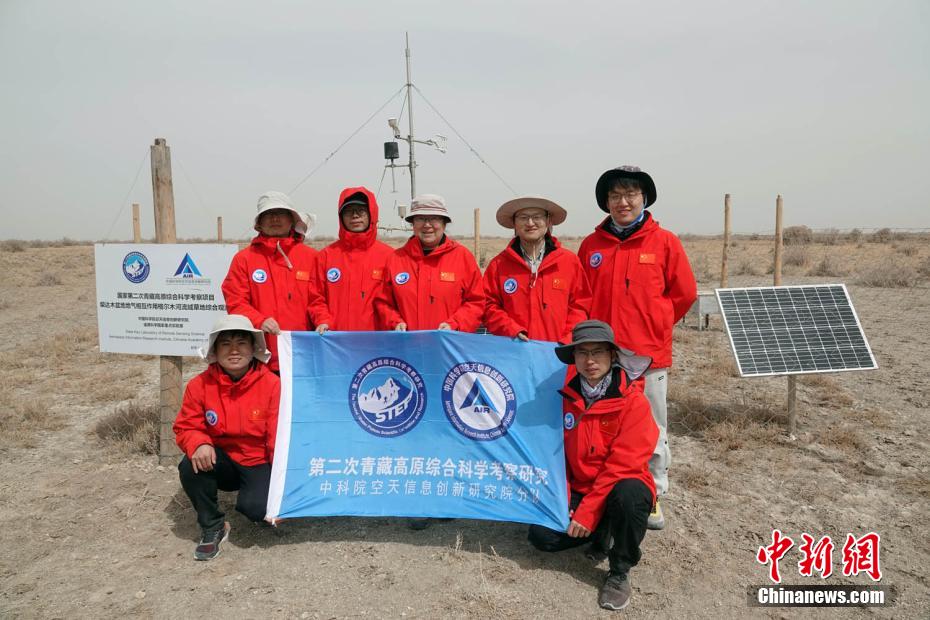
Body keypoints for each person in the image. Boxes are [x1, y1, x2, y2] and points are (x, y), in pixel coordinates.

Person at [578, 165, 697, 530]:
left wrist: (655, 323)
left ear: (644, 199)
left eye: (631, 194)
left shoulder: (664, 242)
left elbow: (684, 294)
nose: (623, 202)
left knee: (651, 425)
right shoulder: (592, 246)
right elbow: (582, 295)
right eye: (615, 196)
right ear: (606, 202)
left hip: (647, 355)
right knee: (602, 423)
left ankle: (653, 491)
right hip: (601, 356)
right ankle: (602, 488)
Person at [528, 320, 657, 611]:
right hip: (580, 487)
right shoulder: (563, 398)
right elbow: (554, 456)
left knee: (630, 497)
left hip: (618, 485)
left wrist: (588, 511)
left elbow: (623, 465)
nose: (590, 360)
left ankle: (619, 570)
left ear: (612, 355)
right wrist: (562, 498)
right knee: (541, 537)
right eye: (582, 352)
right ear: (573, 358)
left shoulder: (633, 402)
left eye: (598, 352)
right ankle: (601, 530)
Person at [173, 314, 280, 561]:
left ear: (253, 348)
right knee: (190, 465)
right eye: (225, 343)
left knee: (258, 509)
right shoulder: (199, 385)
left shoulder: (272, 384)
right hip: (221, 460)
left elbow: (278, 437)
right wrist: (199, 442)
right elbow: (187, 426)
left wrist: (281, 490)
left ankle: (258, 500)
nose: (234, 350)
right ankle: (213, 526)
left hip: (258, 461)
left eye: (241, 343)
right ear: (215, 350)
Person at [222, 190, 318, 373]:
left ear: (292, 219)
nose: (275, 218)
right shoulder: (244, 259)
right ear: (259, 223)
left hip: (305, 355)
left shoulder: (312, 258)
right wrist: (260, 320)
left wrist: (322, 322)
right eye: (268, 214)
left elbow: (320, 300)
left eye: (280, 213)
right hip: (260, 357)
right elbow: (235, 301)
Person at [483, 196, 591, 343]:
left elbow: (580, 306)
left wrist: (567, 340)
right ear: (514, 223)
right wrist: (512, 330)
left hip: (560, 351)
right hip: (514, 349)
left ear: (548, 221)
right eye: (523, 217)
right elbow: (488, 306)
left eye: (537, 217)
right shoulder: (498, 265)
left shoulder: (569, 262)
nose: (530, 223)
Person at [375, 194, 484, 333]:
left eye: (434, 218)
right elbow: (383, 303)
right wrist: (395, 322)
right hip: (407, 344)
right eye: (420, 219)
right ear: (413, 225)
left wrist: (455, 324)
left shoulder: (462, 257)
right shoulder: (396, 259)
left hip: (448, 344)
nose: (427, 225)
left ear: (444, 224)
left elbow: (476, 302)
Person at [308, 187, 394, 333]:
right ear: (341, 217)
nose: (355, 215)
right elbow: (316, 299)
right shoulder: (325, 256)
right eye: (348, 211)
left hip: (376, 342)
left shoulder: (390, 256)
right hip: (336, 340)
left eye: (361, 210)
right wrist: (322, 320)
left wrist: (395, 322)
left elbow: (395, 303)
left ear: (372, 214)